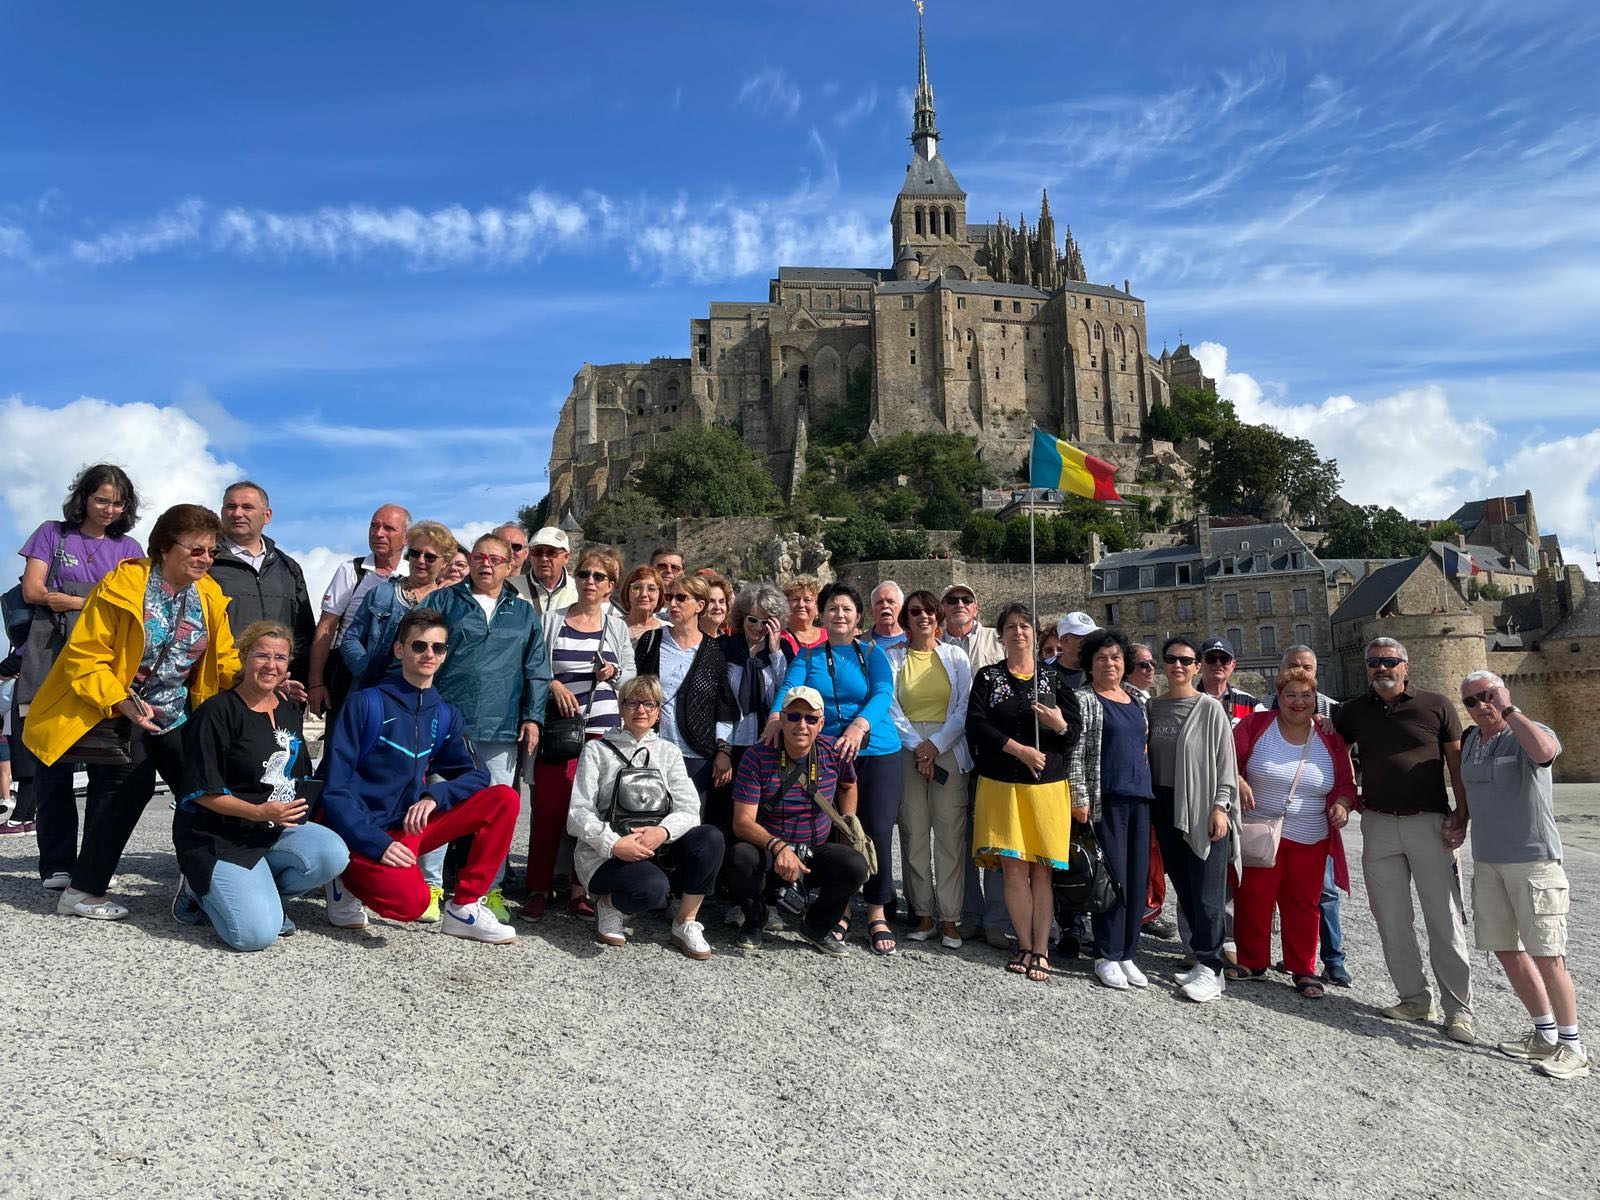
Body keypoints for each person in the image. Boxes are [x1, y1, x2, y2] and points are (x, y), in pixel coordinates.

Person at [24, 504, 240, 920]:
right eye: (196, 550)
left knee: (201, 790)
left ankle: (200, 879)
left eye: (211, 552)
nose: (205, 559)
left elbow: (225, 658)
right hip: (121, 708)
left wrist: (260, 677)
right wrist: (121, 700)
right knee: (128, 789)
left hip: (175, 713)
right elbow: (85, 656)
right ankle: (82, 891)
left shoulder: (209, 594)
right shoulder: (124, 585)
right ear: (165, 547)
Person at [317, 608, 519, 943]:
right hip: (360, 831)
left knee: (504, 799)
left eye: (437, 648)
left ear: (445, 655)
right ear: (400, 650)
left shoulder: (445, 713)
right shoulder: (365, 703)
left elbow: (477, 775)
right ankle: (343, 876)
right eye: (419, 646)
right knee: (412, 906)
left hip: (406, 826)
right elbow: (335, 789)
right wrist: (376, 843)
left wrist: (434, 796)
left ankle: (464, 908)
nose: (429, 654)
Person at [172, 621, 349, 951]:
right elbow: (202, 791)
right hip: (219, 835)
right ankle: (196, 888)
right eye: (262, 656)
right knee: (254, 937)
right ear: (243, 657)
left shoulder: (287, 709)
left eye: (280, 658)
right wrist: (257, 811)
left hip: (271, 827)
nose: (271, 665)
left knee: (332, 853)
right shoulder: (216, 713)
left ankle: (261, 893)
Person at [1334, 636, 1475, 1043]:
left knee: (1444, 920)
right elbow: (1335, 749)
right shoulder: (1353, 712)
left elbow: (1456, 761)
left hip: (1429, 823)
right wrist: (1349, 792)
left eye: (1390, 661)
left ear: (1405, 666)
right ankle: (1414, 998)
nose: (1382, 667)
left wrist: (1461, 814)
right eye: (1374, 661)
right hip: (1377, 824)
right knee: (1391, 920)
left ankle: (1458, 1011)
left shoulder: (1436, 705)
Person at [1456, 672, 1586, 1079]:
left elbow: (1546, 753)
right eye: (1471, 701)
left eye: (1487, 696)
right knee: (1507, 950)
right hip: (1489, 861)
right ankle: (1544, 1034)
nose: (1481, 706)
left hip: (1534, 862)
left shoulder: (1527, 730)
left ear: (1503, 693)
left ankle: (1573, 1047)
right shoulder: (1471, 741)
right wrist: (1458, 822)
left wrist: (1510, 709)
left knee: (1549, 955)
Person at [13, 464, 143, 867]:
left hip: (105, 661)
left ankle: (93, 867)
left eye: (118, 503)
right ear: (83, 497)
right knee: (52, 768)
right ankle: (56, 864)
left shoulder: (130, 549)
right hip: (49, 653)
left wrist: (71, 600)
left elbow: (137, 605)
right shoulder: (53, 533)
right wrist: (93, 602)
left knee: (107, 769)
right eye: (102, 499)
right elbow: (33, 590)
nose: (109, 509)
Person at [768, 583, 901, 955]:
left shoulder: (872, 654)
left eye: (846, 609)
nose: (839, 614)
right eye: (832, 609)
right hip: (826, 753)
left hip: (875, 750)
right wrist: (777, 715)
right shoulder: (809, 656)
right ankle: (838, 908)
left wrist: (860, 726)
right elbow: (789, 686)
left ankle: (876, 910)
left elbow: (881, 694)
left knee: (873, 830)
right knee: (829, 832)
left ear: (859, 617)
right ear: (821, 616)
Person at [427, 533, 550, 919]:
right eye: (479, 556)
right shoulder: (444, 600)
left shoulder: (524, 612)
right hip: (447, 722)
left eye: (496, 559)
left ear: (510, 564)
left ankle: (486, 889)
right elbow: (419, 653)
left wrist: (533, 716)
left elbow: (537, 669)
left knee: (497, 812)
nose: (486, 564)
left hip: (502, 726)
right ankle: (429, 885)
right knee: (436, 805)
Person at [566, 675, 724, 958]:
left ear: (659, 712)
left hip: (658, 847)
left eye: (649, 704)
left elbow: (690, 809)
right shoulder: (596, 750)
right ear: (621, 708)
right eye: (633, 703)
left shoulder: (669, 753)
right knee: (650, 890)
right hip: (608, 853)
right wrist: (614, 844)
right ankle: (610, 905)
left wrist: (661, 832)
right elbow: (578, 813)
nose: (641, 710)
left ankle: (685, 922)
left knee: (710, 838)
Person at [966, 603, 1075, 982]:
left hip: (1046, 788)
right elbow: (976, 725)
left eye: (1025, 625)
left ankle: (1042, 950)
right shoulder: (988, 677)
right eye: (1010, 627)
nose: (1018, 632)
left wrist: (1058, 723)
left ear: (1034, 632)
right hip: (1002, 785)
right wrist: (1019, 749)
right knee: (1013, 869)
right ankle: (1024, 944)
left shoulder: (1054, 680)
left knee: (1042, 870)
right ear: (1001, 635)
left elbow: (1073, 733)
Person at [525, 545, 634, 920]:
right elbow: (534, 664)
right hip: (559, 728)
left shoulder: (616, 626)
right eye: (585, 574)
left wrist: (614, 673)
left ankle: (580, 890)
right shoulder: (553, 619)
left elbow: (631, 677)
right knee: (548, 811)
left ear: (610, 587)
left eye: (599, 577)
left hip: (602, 733)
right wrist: (553, 684)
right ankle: (538, 889)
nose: (590, 581)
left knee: (592, 815)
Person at [1231, 669, 1355, 999]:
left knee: (1303, 903)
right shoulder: (1255, 726)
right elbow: (1227, 759)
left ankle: (1302, 968)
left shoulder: (1329, 737)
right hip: (1260, 830)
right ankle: (1252, 961)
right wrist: (1239, 780)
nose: (1298, 702)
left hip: (1310, 836)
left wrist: (1342, 804)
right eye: (1291, 695)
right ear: (1279, 698)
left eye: (1306, 696)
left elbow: (1345, 782)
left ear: (1316, 701)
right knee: (1253, 898)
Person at [727, 686, 869, 957]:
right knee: (741, 856)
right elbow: (742, 823)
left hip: (812, 852)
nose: (801, 725)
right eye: (793, 717)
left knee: (855, 864)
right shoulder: (757, 756)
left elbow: (849, 785)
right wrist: (779, 847)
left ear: (821, 723)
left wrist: (848, 824)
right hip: (770, 851)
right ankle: (755, 920)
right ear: (781, 719)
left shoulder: (833, 751)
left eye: (810, 718)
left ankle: (816, 926)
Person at [1143, 635, 1239, 1002]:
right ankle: (1203, 959)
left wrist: (1221, 806)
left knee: (1208, 891)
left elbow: (1225, 762)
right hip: (1165, 804)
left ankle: (1213, 969)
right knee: (1185, 888)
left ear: (1197, 667)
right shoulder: (1153, 707)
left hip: (1201, 805)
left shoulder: (1210, 708)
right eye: (1171, 659)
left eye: (1186, 660)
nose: (1178, 666)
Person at [1066, 629, 1153, 990]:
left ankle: (1128, 951)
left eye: (1116, 657)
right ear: (1090, 663)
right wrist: (1079, 796)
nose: (1110, 663)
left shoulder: (1137, 699)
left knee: (1136, 879)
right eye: (1102, 658)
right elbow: (1075, 752)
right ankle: (1106, 953)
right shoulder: (1084, 699)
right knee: (1111, 878)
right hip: (1106, 799)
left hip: (1140, 797)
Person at [885, 588, 971, 949]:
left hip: (947, 746)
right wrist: (918, 746)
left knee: (950, 835)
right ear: (907, 617)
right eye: (916, 611)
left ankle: (951, 918)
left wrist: (935, 745)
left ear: (938, 618)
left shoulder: (955, 657)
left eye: (931, 611)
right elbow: (889, 703)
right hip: (907, 747)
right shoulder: (892, 657)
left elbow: (964, 705)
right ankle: (922, 913)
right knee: (913, 831)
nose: (924, 617)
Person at [1262, 644, 1351, 987]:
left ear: (1316, 673)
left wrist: (1344, 801)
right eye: (1294, 666)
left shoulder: (1332, 711)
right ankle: (1284, 956)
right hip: (1272, 819)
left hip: (1314, 820)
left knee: (1322, 892)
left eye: (1308, 667)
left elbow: (1344, 761)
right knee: (1271, 891)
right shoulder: (1266, 709)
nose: (1302, 670)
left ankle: (1332, 959)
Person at [941, 583, 1007, 947]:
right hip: (953, 752)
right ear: (943, 608)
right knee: (958, 836)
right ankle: (970, 913)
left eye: (966, 600)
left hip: (992, 753)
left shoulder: (997, 640)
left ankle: (997, 918)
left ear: (976, 606)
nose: (960, 605)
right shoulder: (934, 646)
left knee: (994, 837)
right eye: (952, 600)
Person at [635, 574, 734, 801]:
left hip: (696, 755)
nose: (672, 604)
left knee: (691, 823)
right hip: (653, 749)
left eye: (681, 598)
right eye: (669, 597)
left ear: (700, 605)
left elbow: (724, 705)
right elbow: (635, 691)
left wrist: (724, 750)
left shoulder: (714, 652)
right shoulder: (651, 641)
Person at [308, 503, 410, 720]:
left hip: (398, 673)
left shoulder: (413, 574)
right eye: (374, 526)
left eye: (388, 528)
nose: (378, 533)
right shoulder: (351, 571)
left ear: (406, 537)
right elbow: (326, 627)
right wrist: (316, 682)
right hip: (348, 671)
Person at [209, 481, 315, 682]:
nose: (237, 513)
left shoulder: (288, 568)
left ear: (267, 516)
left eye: (247, 507)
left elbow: (304, 630)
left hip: (279, 685)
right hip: (222, 685)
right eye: (230, 507)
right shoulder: (206, 562)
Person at [709, 581, 788, 839]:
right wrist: (723, 748)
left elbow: (785, 692)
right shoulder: (724, 648)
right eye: (752, 619)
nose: (757, 627)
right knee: (725, 811)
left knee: (763, 813)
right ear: (742, 617)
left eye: (766, 621)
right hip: (732, 742)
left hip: (768, 742)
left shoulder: (782, 652)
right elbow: (719, 701)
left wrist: (775, 652)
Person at [338, 520, 455, 690]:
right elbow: (351, 638)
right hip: (377, 690)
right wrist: (366, 668)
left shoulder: (450, 604)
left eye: (430, 557)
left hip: (426, 693)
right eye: (415, 553)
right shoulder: (381, 593)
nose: (420, 561)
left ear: (445, 562)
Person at [1197, 636, 1258, 723]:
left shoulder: (1251, 704)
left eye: (1224, 659)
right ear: (1200, 663)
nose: (1218, 663)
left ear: (1233, 665)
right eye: (1211, 658)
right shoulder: (1188, 702)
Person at [528, 526, 577, 613]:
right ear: (530, 556)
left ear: (566, 557)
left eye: (551, 553)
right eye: (537, 552)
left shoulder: (578, 592)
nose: (544, 558)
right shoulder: (511, 588)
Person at [778, 575, 825, 658]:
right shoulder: (778, 639)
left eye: (807, 600)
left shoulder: (830, 635)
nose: (801, 604)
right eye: (795, 599)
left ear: (817, 607)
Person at [620, 565, 664, 645]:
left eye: (651, 589)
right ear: (627, 592)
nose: (644, 594)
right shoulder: (611, 626)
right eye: (637, 588)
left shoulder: (667, 630)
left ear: (660, 595)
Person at [1055, 611, 1098, 690]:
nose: (1091, 642)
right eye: (1084, 638)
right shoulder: (1045, 674)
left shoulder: (1100, 671)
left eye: (1093, 637)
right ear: (1065, 641)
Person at [863, 581, 906, 653]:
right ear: (872, 610)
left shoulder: (915, 641)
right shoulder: (859, 644)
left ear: (901, 607)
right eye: (879, 602)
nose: (885, 606)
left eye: (890, 601)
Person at [496, 522, 533, 602]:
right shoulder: (475, 587)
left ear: (526, 553)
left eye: (516, 547)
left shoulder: (535, 591)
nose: (509, 551)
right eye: (503, 545)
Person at [697, 570, 733, 639]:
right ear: (699, 606)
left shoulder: (729, 643)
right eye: (711, 601)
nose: (717, 607)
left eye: (721, 601)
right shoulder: (689, 643)